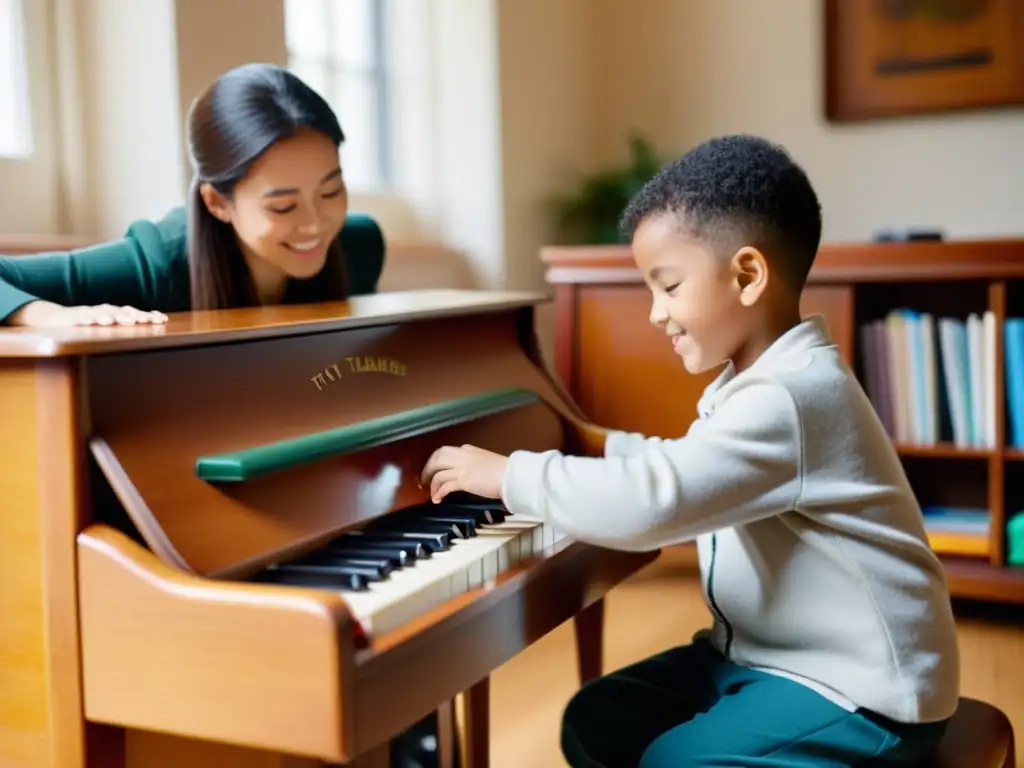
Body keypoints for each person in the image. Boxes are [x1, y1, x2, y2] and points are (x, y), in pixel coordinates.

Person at [420, 135, 960, 767]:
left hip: (862, 695)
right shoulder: (755, 384)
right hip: (762, 660)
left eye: (668, 287)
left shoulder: (791, 397)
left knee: (674, 762)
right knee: (596, 722)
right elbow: (683, 467)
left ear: (748, 275)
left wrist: (512, 473)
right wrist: (595, 446)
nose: (656, 314)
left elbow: (659, 500)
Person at [0, 62, 384, 327]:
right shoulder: (156, 264)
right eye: (283, 206)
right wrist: (46, 315)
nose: (314, 224)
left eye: (331, 191)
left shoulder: (360, 246)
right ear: (217, 202)